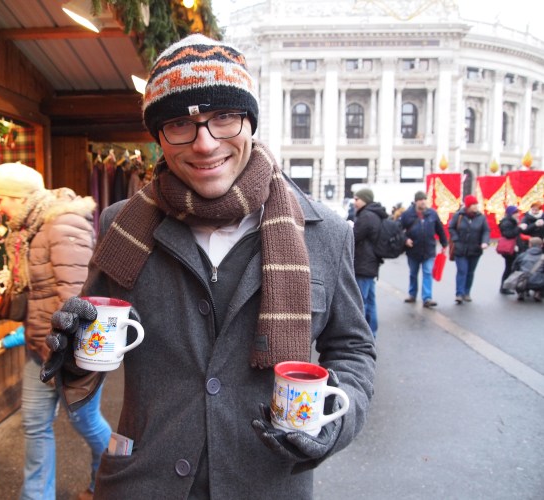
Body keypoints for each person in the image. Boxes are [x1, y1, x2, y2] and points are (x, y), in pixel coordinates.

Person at [40, 34, 376, 499]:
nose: (204, 143)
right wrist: (74, 354)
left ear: (249, 122)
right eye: (179, 123)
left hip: (267, 483)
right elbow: (92, 348)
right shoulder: (123, 225)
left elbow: (353, 349)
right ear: (159, 136)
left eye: (224, 117)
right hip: (145, 483)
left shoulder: (325, 233)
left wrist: (336, 419)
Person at [0, 162, 111, 500]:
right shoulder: (28, 229)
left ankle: (110, 480)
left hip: (70, 352)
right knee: (35, 424)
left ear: (18, 196)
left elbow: (76, 297)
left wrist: (65, 353)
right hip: (39, 346)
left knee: (85, 421)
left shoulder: (63, 223)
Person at [399, 191, 448, 307]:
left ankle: (427, 298)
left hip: (429, 250)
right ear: (416, 201)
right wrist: (405, 239)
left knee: (427, 272)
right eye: (421, 200)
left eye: (425, 199)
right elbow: (398, 229)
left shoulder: (432, 214)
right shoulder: (407, 214)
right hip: (413, 250)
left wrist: (444, 243)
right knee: (413, 274)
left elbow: (440, 229)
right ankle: (412, 294)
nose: (423, 202)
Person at [352, 188, 387, 335]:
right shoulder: (375, 214)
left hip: (364, 262)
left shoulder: (366, 216)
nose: (354, 202)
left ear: (365, 199)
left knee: (361, 301)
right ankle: (372, 333)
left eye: (357, 199)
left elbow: (354, 236)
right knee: (371, 301)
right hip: (372, 262)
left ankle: (363, 335)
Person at [448, 194, 490, 304]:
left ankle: (467, 292)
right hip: (460, 248)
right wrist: (456, 240)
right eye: (473, 204)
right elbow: (451, 227)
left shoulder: (481, 217)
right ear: (468, 206)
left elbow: (486, 231)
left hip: (475, 249)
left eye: (476, 204)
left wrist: (485, 242)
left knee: (470, 272)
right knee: (462, 271)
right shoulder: (459, 215)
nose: (476, 206)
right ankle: (459, 294)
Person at [497, 205, 523, 295]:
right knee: (509, 268)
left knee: (511, 267)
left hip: (513, 248)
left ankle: (506, 286)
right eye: (516, 213)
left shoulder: (511, 221)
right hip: (510, 249)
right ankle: (504, 287)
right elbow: (508, 234)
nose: (518, 214)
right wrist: (519, 228)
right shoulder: (506, 222)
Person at [512, 236, 544, 302]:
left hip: (523, 281)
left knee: (519, 274)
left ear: (530, 245)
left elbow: (514, 268)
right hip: (539, 282)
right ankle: (538, 293)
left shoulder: (522, 255)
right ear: (541, 246)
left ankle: (521, 292)